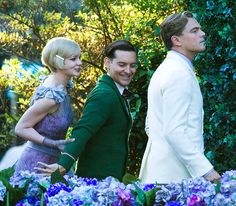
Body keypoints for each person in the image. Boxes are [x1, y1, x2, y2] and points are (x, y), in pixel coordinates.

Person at [36, 40, 138, 181]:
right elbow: (83, 131)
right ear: (107, 63)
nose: (128, 71)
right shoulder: (104, 94)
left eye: (133, 65)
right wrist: (63, 165)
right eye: (122, 65)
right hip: (97, 180)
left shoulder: (114, 91)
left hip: (111, 178)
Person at [139, 11, 221, 184]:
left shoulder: (167, 69)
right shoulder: (178, 73)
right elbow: (174, 130)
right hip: (173, 178)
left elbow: (150, 125)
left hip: (162, 173)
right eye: (194, 30)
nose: (203, 33)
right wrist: (206, 170)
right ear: (176, 40)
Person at [14, 37, 82, 174]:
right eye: (73, 59)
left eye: (79, 58)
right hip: (37, 166)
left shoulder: (58, 87)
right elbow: (21, 128)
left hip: (51, 163)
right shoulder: (51, 97)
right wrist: (52, 143)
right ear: (59, 60)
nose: (80, 63)